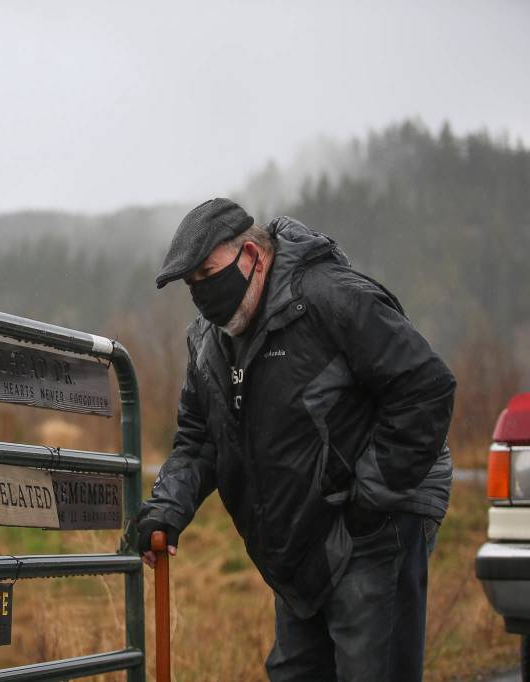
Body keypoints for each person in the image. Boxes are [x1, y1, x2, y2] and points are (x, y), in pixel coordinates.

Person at [135, 198, 455, 681]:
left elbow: (424, 388)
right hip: (298, 545)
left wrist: (369, 502)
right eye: (191, 284)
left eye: (208, 273)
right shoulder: (207, 341)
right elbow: (199, 439)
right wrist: (167, 507)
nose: (202, 293)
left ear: (252, 255)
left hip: (373, 524)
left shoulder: (332, 297)